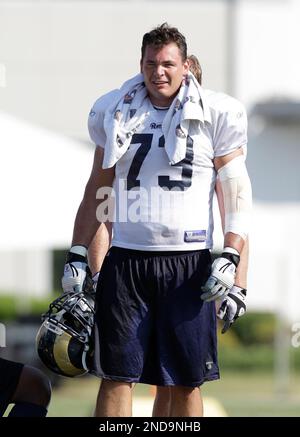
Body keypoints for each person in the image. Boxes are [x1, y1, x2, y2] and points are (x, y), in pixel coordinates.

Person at [62, 23, 252, 417]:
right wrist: (79, 253)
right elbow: (99, 193)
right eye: (151, 63)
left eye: (168, 64)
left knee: (184, 380)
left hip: (188, 261)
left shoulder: (216, 112)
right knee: (116, 374)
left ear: (185, 66)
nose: (159, 72)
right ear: (141, 64)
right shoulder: (116, 110)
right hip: (127, 259)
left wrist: (232, 260)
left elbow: (235, 194)